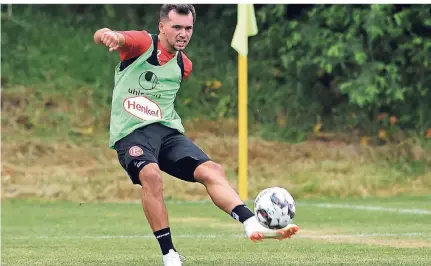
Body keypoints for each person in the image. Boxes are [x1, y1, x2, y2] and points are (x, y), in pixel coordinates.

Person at [93, 4, 299, 266]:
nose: (183, 33)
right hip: (131, 133)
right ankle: (170, 255)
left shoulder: (184, 65)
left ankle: (251, 222)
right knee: (151, 175)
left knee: (212, 170)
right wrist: (109, 35)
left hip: (167, 133)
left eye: (188, 28)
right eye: (177, 27)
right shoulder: (143, 44)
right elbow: (105, 35)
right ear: (162, 27)